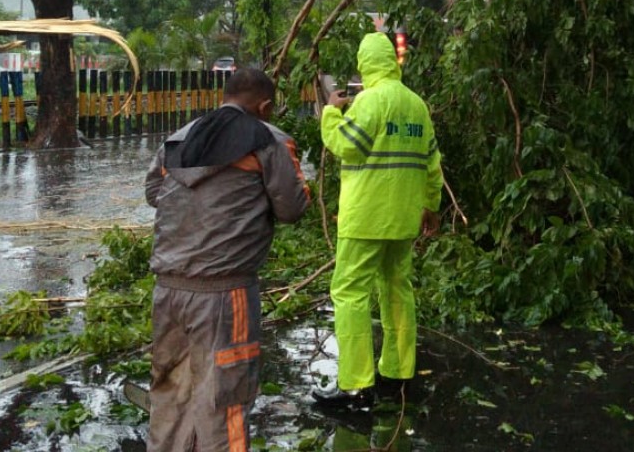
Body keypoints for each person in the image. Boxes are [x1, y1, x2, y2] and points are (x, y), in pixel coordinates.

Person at [144, 67, 310, 450]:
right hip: (225, 295)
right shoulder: (269, 140)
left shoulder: (178, 138)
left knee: (170, 398)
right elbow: (291, 208)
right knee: (225, 403)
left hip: (167, 289)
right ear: (264, 106)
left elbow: (155, 192)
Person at [312, 31, 443, 411]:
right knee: (397, 291)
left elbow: (346, 145)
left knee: (351, 295)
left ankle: (355, 388)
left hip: (365, 218)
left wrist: (330, 112)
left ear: (365, 63)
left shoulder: (369, 101)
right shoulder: (416, 105)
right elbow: (432, 163)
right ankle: (398, 376)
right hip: (404, 217)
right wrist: (430, 207)